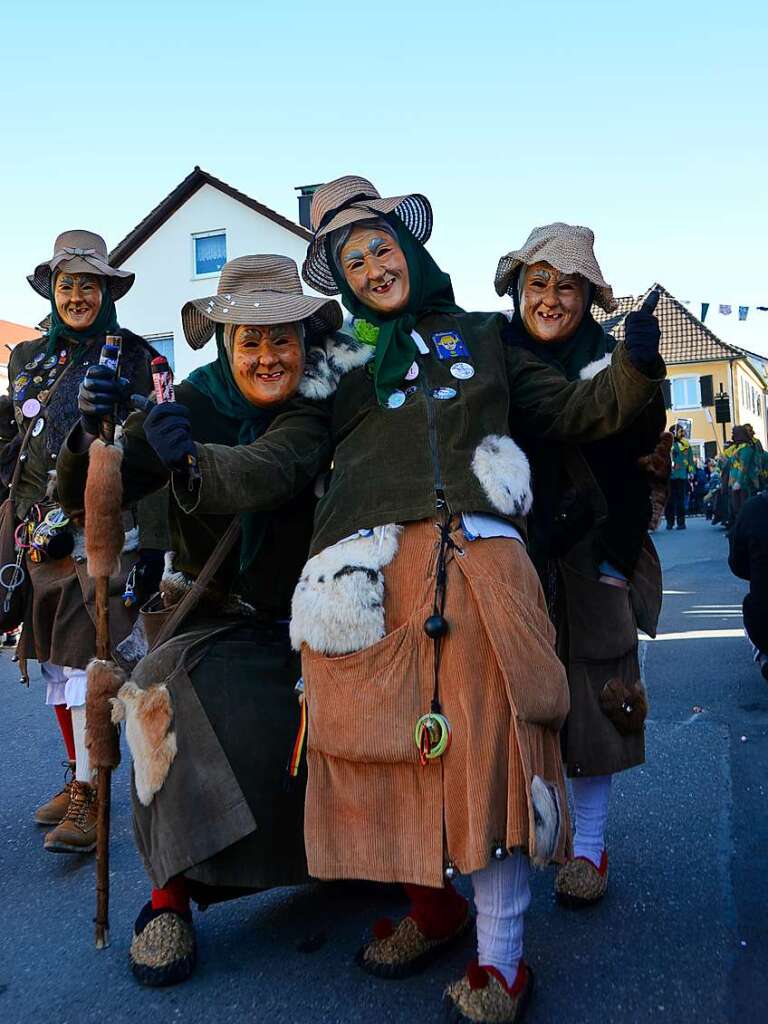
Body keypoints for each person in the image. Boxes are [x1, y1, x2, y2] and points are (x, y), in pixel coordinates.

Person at [135, 176, 666, 1023]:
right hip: (369, 578)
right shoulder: (335, 368)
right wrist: (195, 464)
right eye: (354, 260)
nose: (374, 265)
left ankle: (501, 964)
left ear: (411, 252)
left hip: (483, 558)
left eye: (382, 247)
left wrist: (637, 366)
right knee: (393, 760)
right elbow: (280, 459)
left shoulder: (488, 338)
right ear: (341, 282)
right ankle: (431, 906)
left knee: (490, 753)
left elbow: (574, 406)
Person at [57, 254, 343, 985]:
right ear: (224, 341)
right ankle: (167, 899)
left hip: (319, 619)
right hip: (221, 618)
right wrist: (98, 436)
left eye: (281, 337)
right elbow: (100, 489)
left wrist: (191, 467)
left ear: (305, 339)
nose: (267, 355)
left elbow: (270, 469)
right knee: (153, 687)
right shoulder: (191, 398)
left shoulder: (317, 405)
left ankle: (372, 860)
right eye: (249, 339)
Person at [493, 224, 665, 911]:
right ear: (517, 290)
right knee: (521, 702)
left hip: (597, 551)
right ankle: (527, 831)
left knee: (599, 698)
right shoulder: (494, 353)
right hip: (519, 552)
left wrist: (619, 562)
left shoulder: (615, 361)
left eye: (567, 286)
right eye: (538, 283)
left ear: (588, 296)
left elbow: (642, 457)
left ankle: (588, 846)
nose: (551, 298)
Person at [0, 231, 164, 854]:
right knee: (50, 660)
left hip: (98, 526)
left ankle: (93, 796)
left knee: (82, 663)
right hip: (34, 527)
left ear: (107, 291)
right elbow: (20, 439)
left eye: (87, 284)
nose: (75, 295)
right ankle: (76, 779)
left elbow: (151, 452)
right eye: (66, 284)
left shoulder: (135, 356)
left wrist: (151, 543)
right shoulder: (28, 358)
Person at [728, 491, 768, 682]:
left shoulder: (753, 508)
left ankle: (764, 656)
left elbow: (737, 563)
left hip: (764, 621)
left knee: (753, 606)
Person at [726, 425, 760, 525]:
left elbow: (744, 466)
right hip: (733, 481)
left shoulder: (746, 448)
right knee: (736, 509)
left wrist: (739, 482)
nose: (733, 436)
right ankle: (738, 529)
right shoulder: (736, 448)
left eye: (734, 434)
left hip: (744, 483)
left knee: (744, 508)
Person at [666, 424, 694, 529]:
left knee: (680, 500)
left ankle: (681, 522)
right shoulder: (667, 444)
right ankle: (670, 522)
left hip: (682, 476)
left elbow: (690, 460)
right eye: (680, 431)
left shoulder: (686, 444)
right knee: (669, 500)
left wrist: (691, 472)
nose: (682, 433)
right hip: (669, 476)